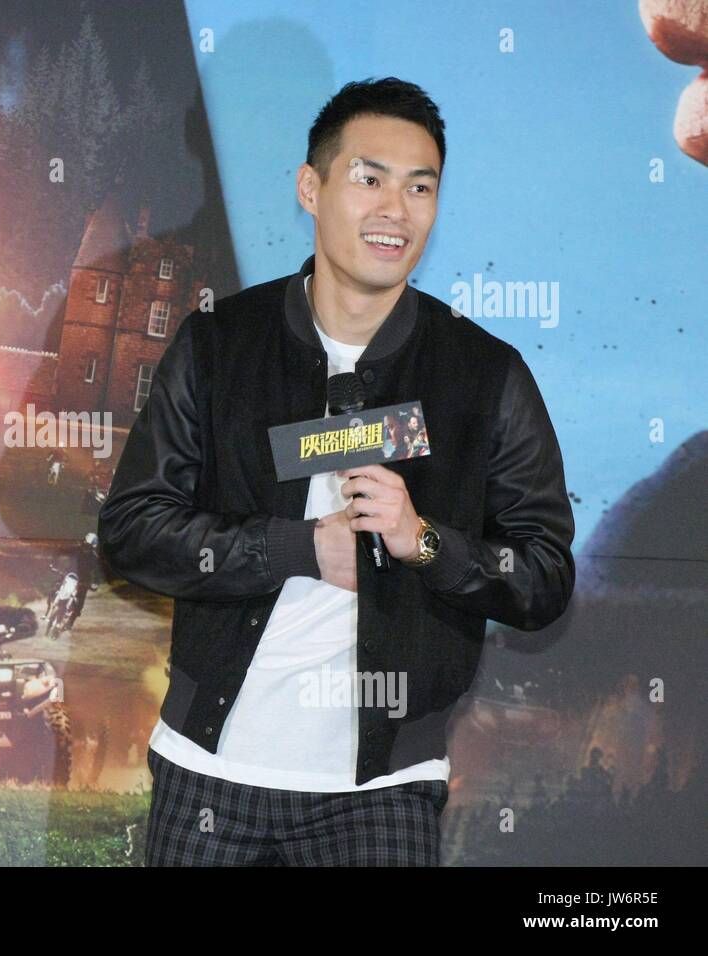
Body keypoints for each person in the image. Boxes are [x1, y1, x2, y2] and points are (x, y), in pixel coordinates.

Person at [98, 78, 575, 866]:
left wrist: (425, 543)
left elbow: (545, 574)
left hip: (383, 791)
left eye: (421, 187)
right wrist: (297, 549)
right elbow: (133, 530)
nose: (396, 208)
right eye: (370, 178)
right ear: (310, 188)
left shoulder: (483, 374)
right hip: (208, 773)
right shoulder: (221, 344)